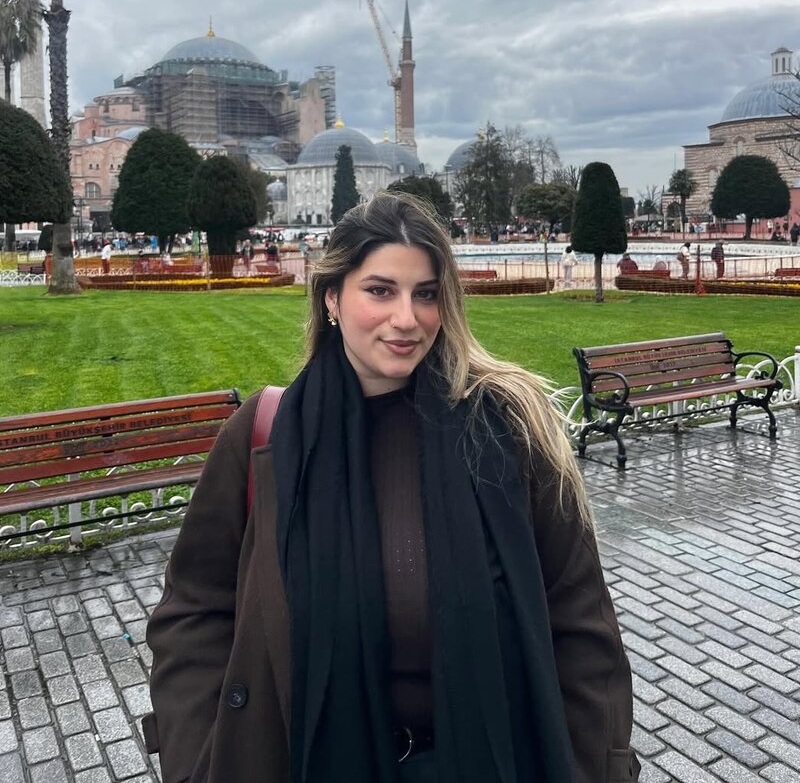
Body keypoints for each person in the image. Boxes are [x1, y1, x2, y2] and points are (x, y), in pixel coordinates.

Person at [145, 193, 640, 783]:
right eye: (380, 291)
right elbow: (194, 609)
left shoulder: (506, 428)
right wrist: (201, 757)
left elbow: (580, 617)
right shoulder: (265, 435)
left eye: (425, 294)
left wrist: (590, 765)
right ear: (332, 298)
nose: (407, 319)